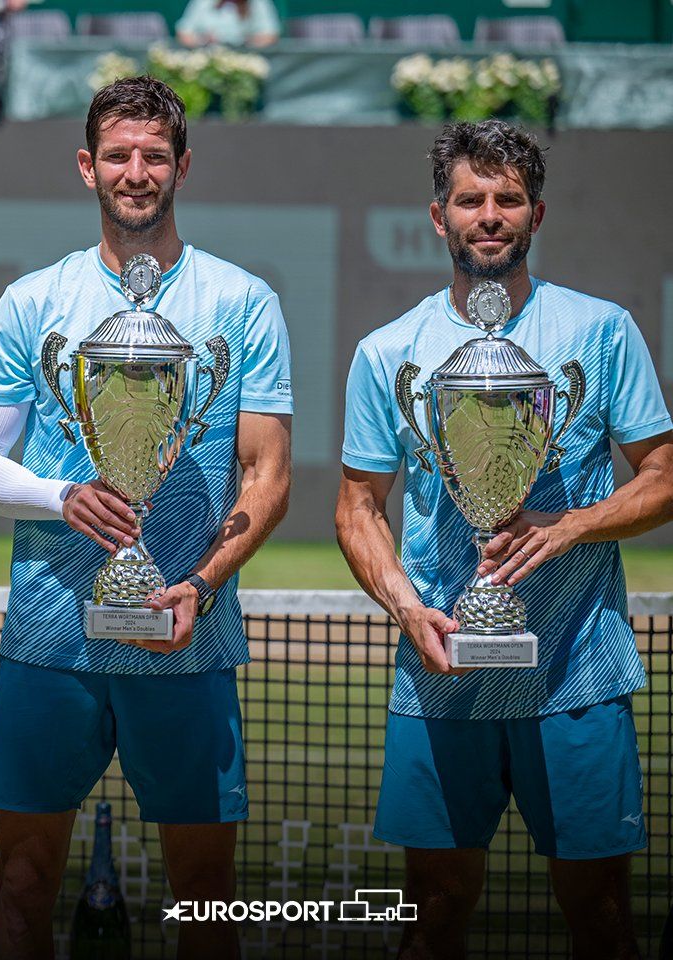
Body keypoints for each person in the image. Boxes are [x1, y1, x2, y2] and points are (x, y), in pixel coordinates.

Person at [0, 75, 292, 960]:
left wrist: (203, 587)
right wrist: (60, 496)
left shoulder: (241, 301)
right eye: (116, 155)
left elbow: (267, 472)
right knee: (22, 886)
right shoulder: (34, 301)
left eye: (152, 155)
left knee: (204, 899)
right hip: (51, 640)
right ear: (85, 167)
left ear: (181, 165)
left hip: (185, 637)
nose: (134, 172)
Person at [335, 119, 673, 960]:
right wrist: (409, 612)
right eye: (470, 199)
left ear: (536, 214)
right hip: (442, 673)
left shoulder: (600, 331)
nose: (489, 214)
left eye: (508, 200)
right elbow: (356, 507)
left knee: (598, 918)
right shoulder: (388, 354)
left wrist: (572, 525)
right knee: (433, 911)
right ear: (437, 216)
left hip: (576, 672)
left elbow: (662, 475)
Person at [176, 0, 280, 49]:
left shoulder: (259, 3)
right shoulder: (202, 2)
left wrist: (246, 43)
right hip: (206, 64)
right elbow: (184, 33)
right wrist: (203, 41)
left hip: (247, 65)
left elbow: (271, 35)